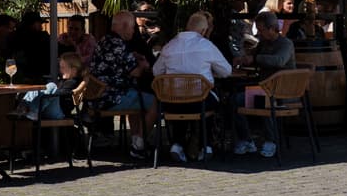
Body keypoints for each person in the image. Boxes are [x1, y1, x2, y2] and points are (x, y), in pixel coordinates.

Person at [152, 10, 230, 163]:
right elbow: (227, 71)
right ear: (203, 30)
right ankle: (206, 145)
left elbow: (156, 72)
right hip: (200, 103)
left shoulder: (169, 46)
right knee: (210, 99)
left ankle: (177, 144)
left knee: (181, 97)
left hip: (171, 103)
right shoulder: (206, 46)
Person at [90, 11, 158, 159]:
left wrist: (132, 56)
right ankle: (139, 145)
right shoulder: (119, 44)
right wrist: (144, 65)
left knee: (136, 100)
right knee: (154, 103)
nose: (134, 31)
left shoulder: (104, 40)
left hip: (98, 96)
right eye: (133, 27)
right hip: (113, 97)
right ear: (125, 26)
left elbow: (116, 63)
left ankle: (136, 141)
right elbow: (136, 72)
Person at [233, 9, 298, 158]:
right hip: (265, 88)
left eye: (261, 30)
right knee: (235, 100)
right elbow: (253, 55)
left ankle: (271, 140)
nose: (259, 34)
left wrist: (256, 59)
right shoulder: (263, 43)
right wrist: (243, 58)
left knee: (263, 100)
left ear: (271, 29)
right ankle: (246, 139)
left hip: (283, 91)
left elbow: (279, 61)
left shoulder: (285, 43)